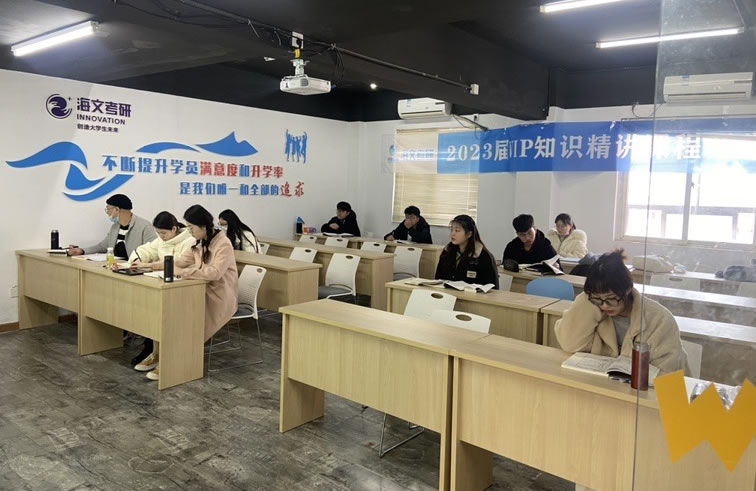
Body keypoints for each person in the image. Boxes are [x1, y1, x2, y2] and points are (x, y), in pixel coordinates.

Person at [554, 250, 689, 374]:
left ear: (628, 289)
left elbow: (668, 372)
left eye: (611, 298)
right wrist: (589, 298)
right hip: (603, 383)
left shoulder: (658, 318)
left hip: (645, 389)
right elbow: (569, 343)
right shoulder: (592, 304)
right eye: (597, 299)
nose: (604, 305)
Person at [145, 205, 239, 382]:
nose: (189, 232)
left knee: (185, 322)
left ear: (203, 226)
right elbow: (179, 262)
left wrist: (183, 272)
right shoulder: (199, 242)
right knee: (167, 313)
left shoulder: (223, 244)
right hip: (199, 290)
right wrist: (149, 265)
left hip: (219, 296)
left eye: (191, 228)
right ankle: (159, 354)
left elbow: (215, 273)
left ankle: (174, 363)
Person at [127, 211, 196, 374]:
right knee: (151, 313)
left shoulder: (189, 241)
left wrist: (150, 265)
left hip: (182, 288)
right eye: (158, 233)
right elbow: (146, 250)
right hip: (161, 284)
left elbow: (180, 265)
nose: (161, 236)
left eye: (163, 233)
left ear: (174, 229)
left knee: (164, 318)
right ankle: (154, 352)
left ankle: (167, 358)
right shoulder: (161, 240)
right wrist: (137, 260)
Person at [68, 194, 156, 258]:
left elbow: (153, 252)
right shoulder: (115, 227)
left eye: (108, 209)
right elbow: (102, 246)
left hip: (136, 270)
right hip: (116, 268)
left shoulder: (145, 226)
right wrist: (81, 251)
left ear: (117, 209)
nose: (107, 213)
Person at [435, 214, 499, 289]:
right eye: (451, 230)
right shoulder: (447, 251)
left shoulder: (483, 256)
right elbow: (438, 278)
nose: (453, 234)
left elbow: (491, 287)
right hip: (447, 294)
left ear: (469, 234)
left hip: (473, 295)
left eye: (457, 230)